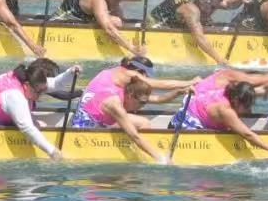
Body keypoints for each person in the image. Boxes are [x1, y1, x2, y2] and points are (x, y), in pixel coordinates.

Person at [68, 56, 200, 164]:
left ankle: (139, 149)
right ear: (138, 71)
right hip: (87, 130)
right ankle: (140, 153)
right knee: (141, 124)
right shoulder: (126, 81)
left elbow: (158, 99)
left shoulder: (117, 81)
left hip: (97, 113)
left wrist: (180, 91)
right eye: (146, 76)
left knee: (142, 122)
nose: (146, 80)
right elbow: (161, 84)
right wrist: (161, 159)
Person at [167, 64, 268, 157]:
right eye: (246, 106)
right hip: (182, 129)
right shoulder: (225, 109)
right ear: (237, 101)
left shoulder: (232, 92)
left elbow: (264, 89)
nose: (248, 111)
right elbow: (248, 135)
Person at [58, 0, 175, 59]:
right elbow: (109, 29)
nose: (118, 1)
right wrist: (132, 49)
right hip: (64, 21)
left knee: (117, 14)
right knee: (116, 22)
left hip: (85, 16)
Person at [0, 57, 67, 158]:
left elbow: (56, 83)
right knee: (34, 125)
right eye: (39, 92)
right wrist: (52, 151)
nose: (41, 95)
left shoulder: (27, 79)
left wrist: (71, 72)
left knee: (38, 124)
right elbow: (27, 128)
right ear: (27, 85)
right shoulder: (14, 95)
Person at [146, 0, 252, 65]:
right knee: (200, 24)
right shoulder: (191, 9)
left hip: (180, 19)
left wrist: (242, 0)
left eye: (213, 7)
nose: (209, 8)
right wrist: (220, 60)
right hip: (157, 22)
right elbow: (199, 38)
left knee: (208, 22)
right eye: (208, 4)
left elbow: (231, 5)